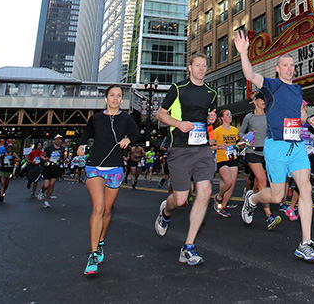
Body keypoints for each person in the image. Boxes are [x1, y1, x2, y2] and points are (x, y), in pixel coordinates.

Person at [234, 30, 314, 262]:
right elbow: (250, 75)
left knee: (306, 189)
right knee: (277, 196)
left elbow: (297, 117)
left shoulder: (298, 89)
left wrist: (307, 118)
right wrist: (243, 53)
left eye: (292, 65)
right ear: (278, 69)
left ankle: (305, 243)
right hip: (276, 148)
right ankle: (251, 200)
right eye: (285, 65)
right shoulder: (271, 85)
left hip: (297, 147)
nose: (290, 68)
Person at [154, 52, 218, 266]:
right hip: (179, 147)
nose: (201, 69)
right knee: (181, 199)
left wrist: (211, 117)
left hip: (201, 148)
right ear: (189, 67)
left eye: (204, 65)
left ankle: (188, 246)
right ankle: (166, 210)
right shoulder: (178, 89)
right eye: (197, 65)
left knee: (205, 191)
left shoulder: (211, 92)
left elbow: (208, 115)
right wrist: (178, 124)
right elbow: (160, 114)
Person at [77, 84, 141, 276]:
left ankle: (101, 241)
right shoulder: (96, 118)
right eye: (112, 95)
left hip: (114, 169)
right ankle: (93, 254)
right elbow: (87, 133)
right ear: (106, 98)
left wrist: (129, 139)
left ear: (122, 99)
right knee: (97, 208)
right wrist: (81, 145)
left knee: (106, 209)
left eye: (119, 96)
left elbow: (138, 134)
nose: (115, 98)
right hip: (94, 166)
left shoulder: (126, 119)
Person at [239, 92, 280, 229]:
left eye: (265, 99)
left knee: (258, 183)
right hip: (253, 152)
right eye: (261, 99)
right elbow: (240, 132)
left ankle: (250, 203)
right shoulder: (249, 117)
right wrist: (245, 138)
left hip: (267, 153)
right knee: (262, 180)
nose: (263, 101)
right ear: (255, 101)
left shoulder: (269, 116)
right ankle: (269, 216)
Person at [211, 108, 240, 217]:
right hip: (222, 159)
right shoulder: (217, 131)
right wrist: (219, 146)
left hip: (233, 158)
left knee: (232, 185)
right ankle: (219, 196)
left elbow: (239, 143)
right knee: (228, 181)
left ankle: (221, 207)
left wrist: (245, 141)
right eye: (227, 115)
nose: (230, 116)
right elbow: (209, 146)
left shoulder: (235, 130)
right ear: (222, 118)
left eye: (230, 115)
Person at [41, 135, 66, 207]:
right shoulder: (49, 148)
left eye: (59, 139)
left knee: (51, 185)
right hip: (48, 167)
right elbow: (42, 155)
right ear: (54, 140)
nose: (58, 141)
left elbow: (63, 157)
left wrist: (63, 159)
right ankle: (42, 191)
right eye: (57, 139)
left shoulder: (62, 149)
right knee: (46, 185)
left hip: (56, 167)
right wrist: (45, 159)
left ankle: (46, 201)